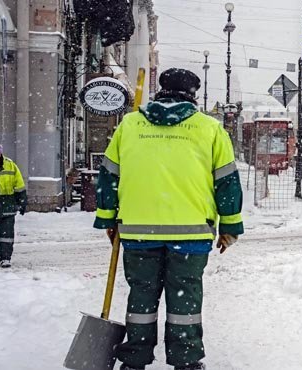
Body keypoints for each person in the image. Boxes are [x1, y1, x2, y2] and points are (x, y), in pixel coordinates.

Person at [93, 68, 244, 370]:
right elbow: (226, 182)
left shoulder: (130, 125)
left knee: (141, 297)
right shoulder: (209, 128)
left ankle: (134, 358)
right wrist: (229, 227)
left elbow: (109, 175)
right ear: (193, 94)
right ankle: (186, 361)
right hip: (191, 233)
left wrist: (108, 219)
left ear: (160, 91)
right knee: (185, 299)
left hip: (138, 230)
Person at [0, 143, 27, 268]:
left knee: (6, 235)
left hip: (7, 205)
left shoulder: (10, 165)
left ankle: (5, 258)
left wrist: (22, 201)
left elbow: (19, 185)